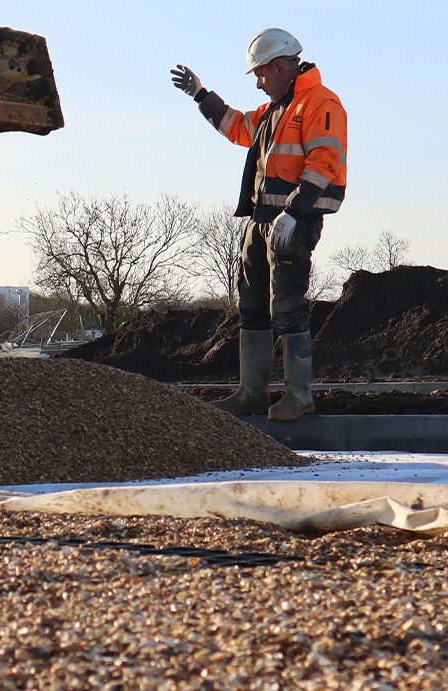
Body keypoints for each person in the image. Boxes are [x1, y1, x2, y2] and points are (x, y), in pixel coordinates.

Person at [171, 29, 347, 420]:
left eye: (261, 74)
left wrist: (294, 213)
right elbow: (237, 127)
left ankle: (299, 396)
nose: (257, 81)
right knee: (252, 309)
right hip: (260, 221)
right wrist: (202, 96)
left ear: (282, 67)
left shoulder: (319, 103)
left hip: (291, 222)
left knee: (287, 308)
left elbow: (325, 163)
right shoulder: (275, 111)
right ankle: (253, 393)